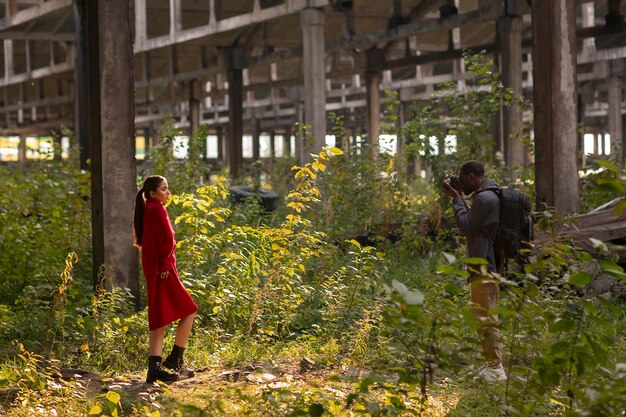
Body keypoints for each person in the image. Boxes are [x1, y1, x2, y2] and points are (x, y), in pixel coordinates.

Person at [443, 161, 507, 382]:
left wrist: (457, 199)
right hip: (489, 262)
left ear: (471, 177)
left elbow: (465, 226)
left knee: (485, 316)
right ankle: (492, 364)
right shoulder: (491, 195)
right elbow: (476, 223)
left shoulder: (483, 198)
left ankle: (496, 369)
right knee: (484, 314)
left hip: (483, 264)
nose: (460, 182)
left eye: (462, 178)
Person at [133, 175, 198, 384]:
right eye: (164, 189)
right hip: (163, 269)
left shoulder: (150, 209)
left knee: (159, 314)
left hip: (156, 268)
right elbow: (169, 239)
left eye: (167, 189)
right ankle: (175, 359)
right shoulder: (156, 209)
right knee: (189, 309)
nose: (168, 193)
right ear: (153, 194)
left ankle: (156, 367)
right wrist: (163, 265)